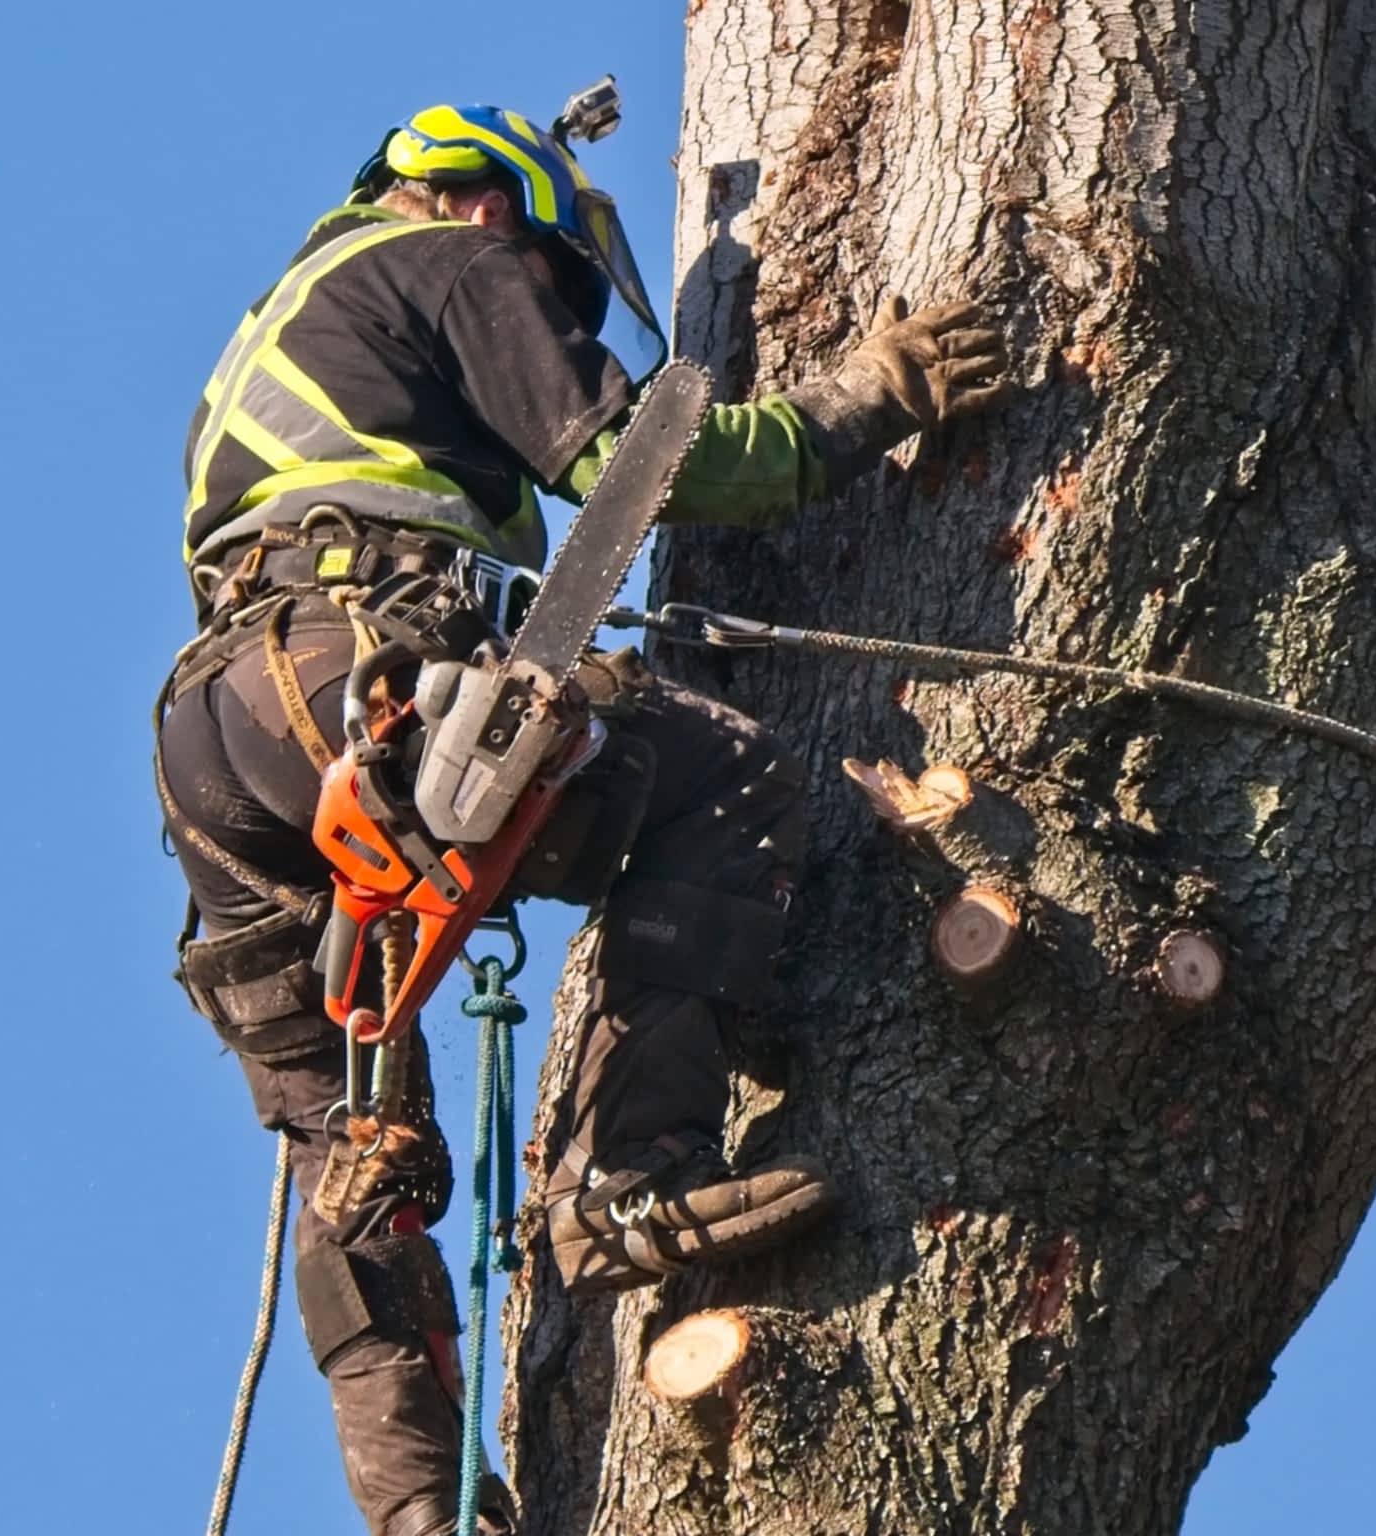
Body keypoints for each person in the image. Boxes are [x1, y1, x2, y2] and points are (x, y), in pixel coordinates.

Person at [155, 100, 1011, 1536]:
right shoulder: (446, 257)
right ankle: (626, 1177)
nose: (542, 312)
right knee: (723, 771)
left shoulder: (284, 328)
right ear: (499, 205)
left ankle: (419, 1517)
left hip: (217, 740)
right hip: (346, 669)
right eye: (554, 290)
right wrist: (867, 396)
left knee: (353, 1154)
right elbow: (639, 464)